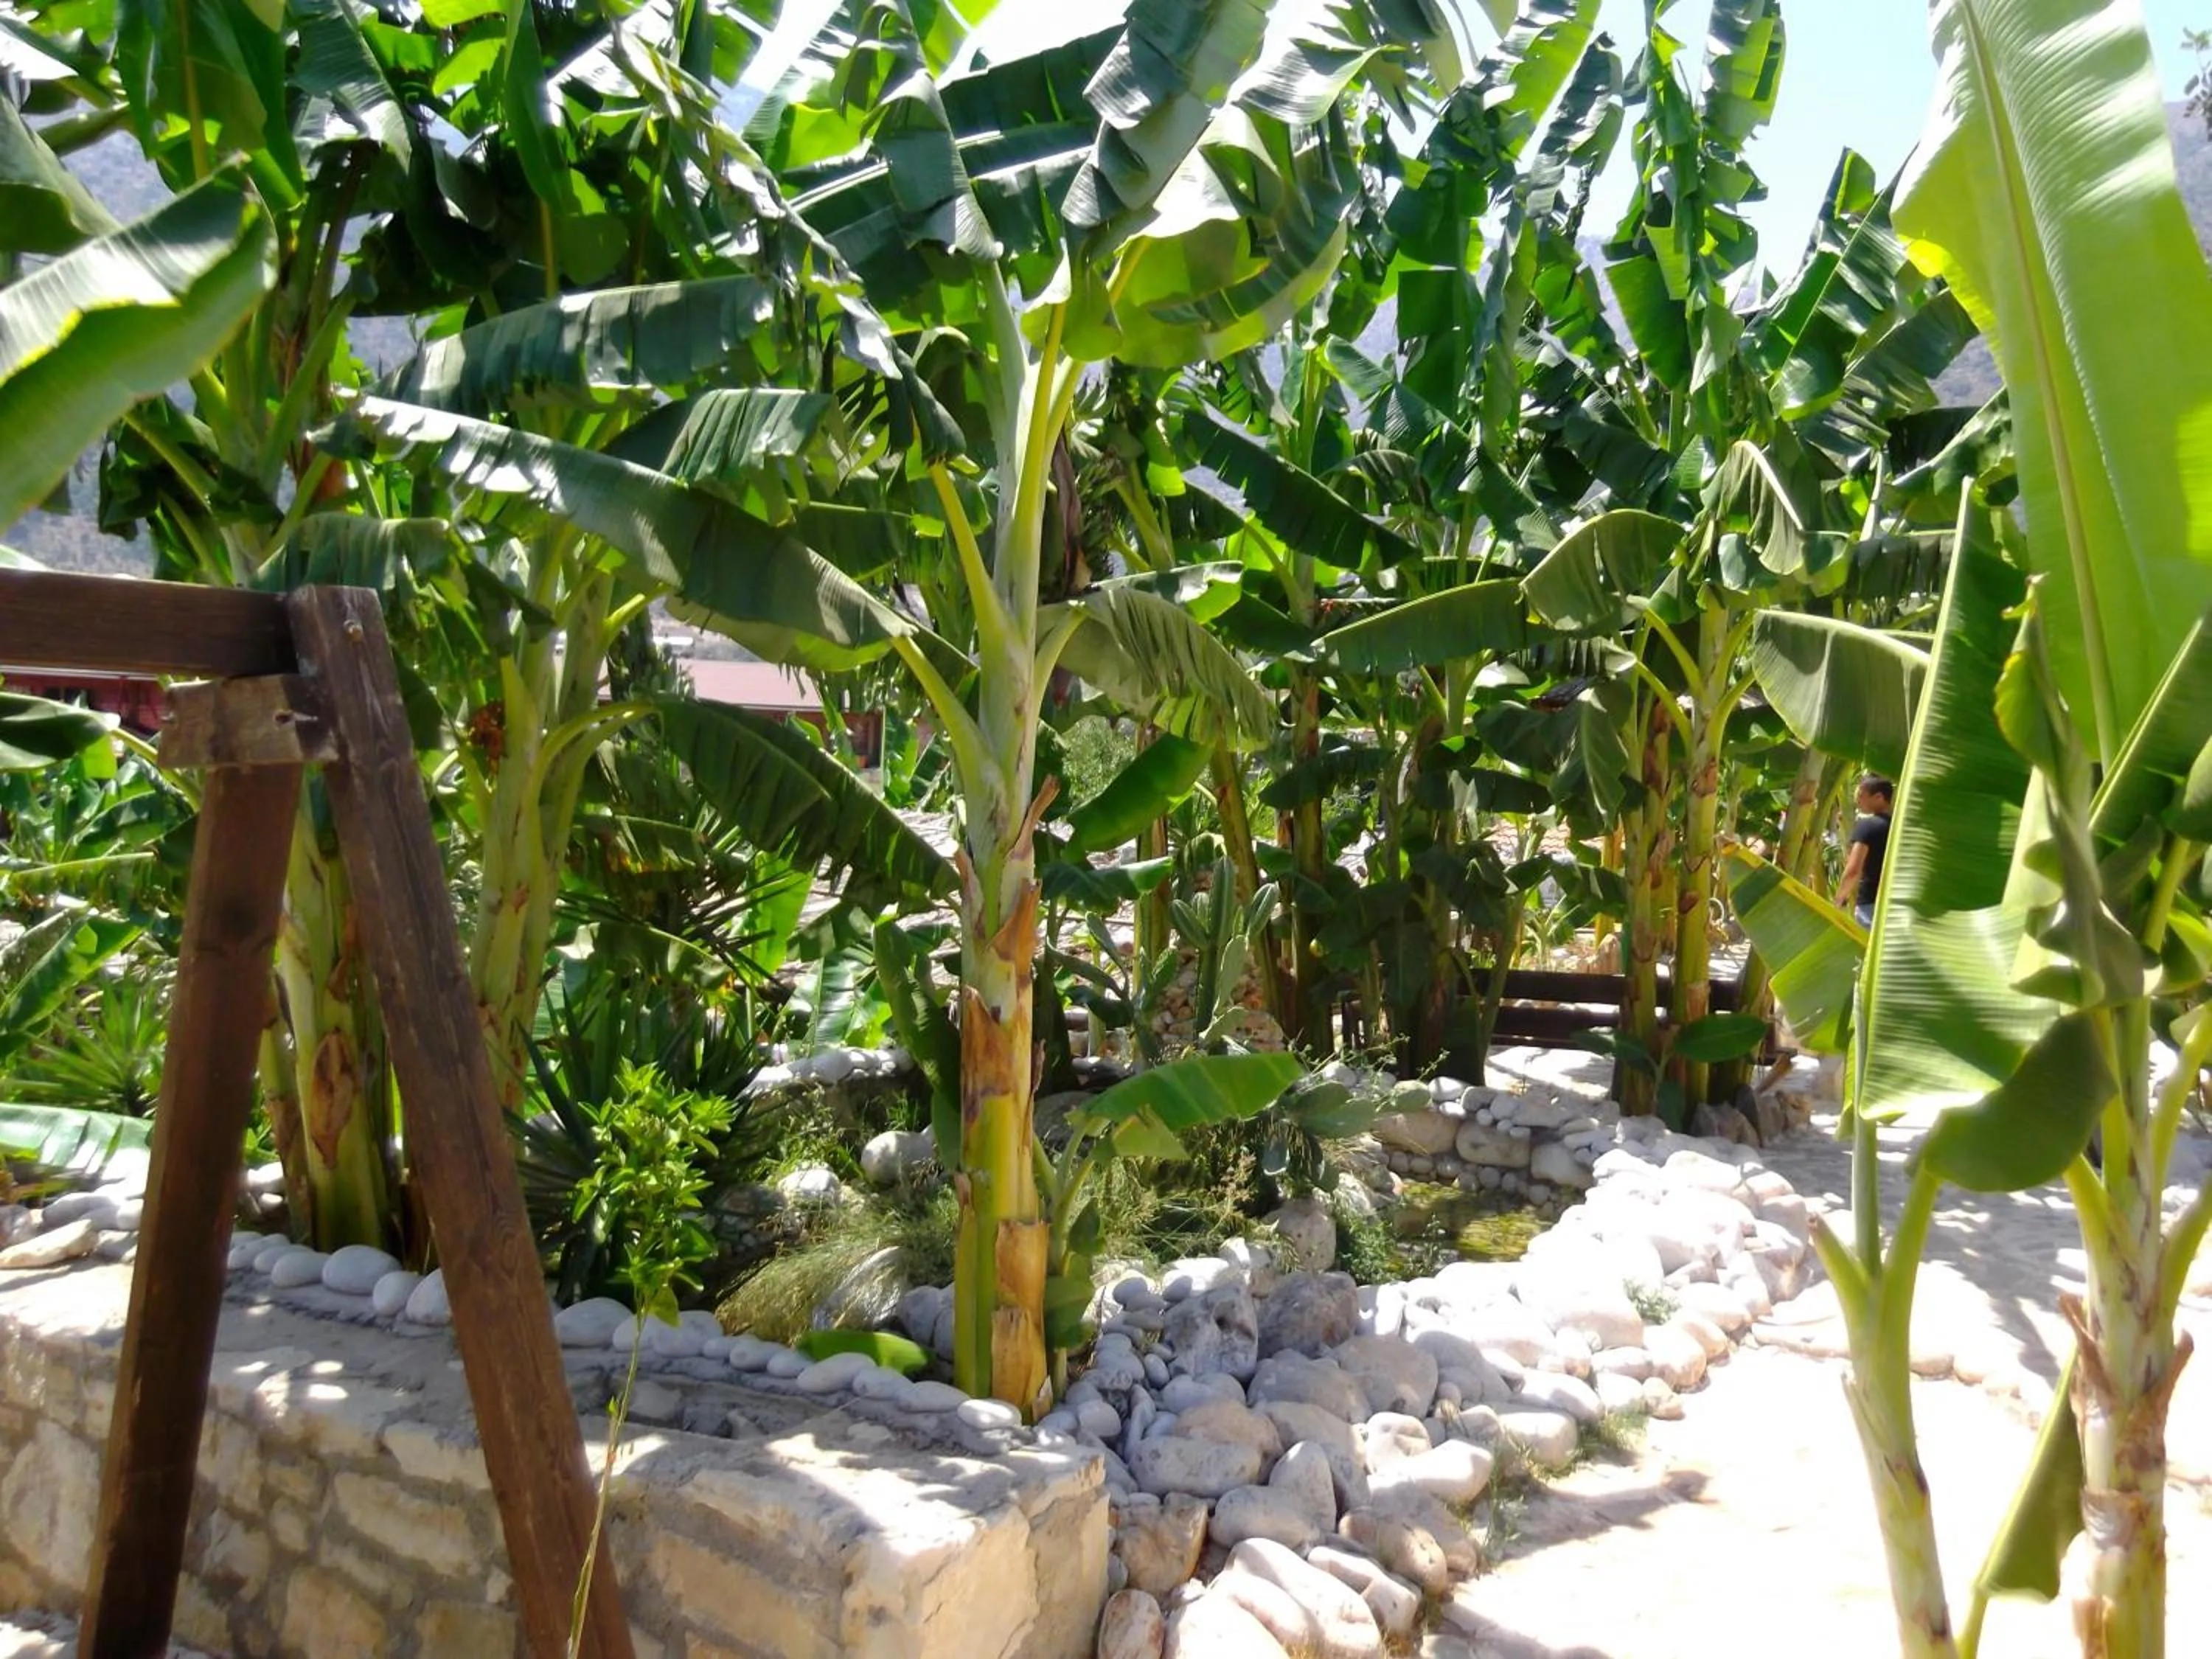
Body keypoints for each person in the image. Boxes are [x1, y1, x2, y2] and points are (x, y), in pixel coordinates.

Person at [1837, 775, 1893, 927]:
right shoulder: (1899, 828)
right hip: (1898, 904)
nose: (1858, 800)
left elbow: (1854, 870)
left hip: (1871, 904)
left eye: (1862, 796)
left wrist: (1839, 899)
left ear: (1879, 797)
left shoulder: (1867, 826)